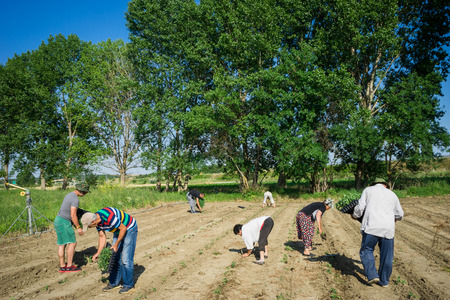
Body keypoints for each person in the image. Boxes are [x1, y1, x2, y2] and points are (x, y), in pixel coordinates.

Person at [352, 178, 404, 287]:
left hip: (372, 227)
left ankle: (372, 275)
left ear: (374, 184)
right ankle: (384, 281)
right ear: (385, 185)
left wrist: (355, 215)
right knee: (387, 256)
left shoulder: (368, 190)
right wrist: (395, 218)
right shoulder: (392, 194)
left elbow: (360, 207)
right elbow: (400, 214)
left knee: (366, 250)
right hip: (388, 229)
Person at [82, 207, 138, 294]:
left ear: (93, 222)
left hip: (129, 228)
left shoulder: (108, 217)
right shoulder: (97, 222)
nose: (90, 227)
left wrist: (116, 245)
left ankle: (128, 285)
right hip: (118, 230)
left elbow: (123, 228)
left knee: (126, 259)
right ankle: (114, 283)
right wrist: (98, 253)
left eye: (89, 226)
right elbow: (102, 237)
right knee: (115, 257)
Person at [54, 182, 90, 273]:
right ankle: (70, 266)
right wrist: (78, 227)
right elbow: (73, 215)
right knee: (72, 243)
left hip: (58, 220)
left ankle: (62, 266)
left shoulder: (69, 194)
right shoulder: (75, 199)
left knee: (62, 244)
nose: (85, 194)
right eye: (85, 192)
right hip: (64, 222)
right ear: (83, 191)